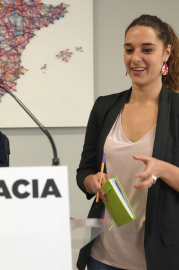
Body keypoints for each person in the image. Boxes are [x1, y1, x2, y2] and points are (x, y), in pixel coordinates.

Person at [76, 14, 179, 270]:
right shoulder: (104, 107)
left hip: (159, 258)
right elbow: (85, 171)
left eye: (147, 49)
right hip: (102, 254)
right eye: (129, 49)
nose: (136, 58)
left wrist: (162, 169)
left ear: (166, 53)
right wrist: (92, 182)